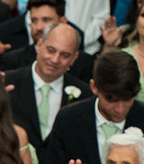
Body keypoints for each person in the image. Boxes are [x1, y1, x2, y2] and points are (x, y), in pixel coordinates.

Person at [7, 22, 93, 153]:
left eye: (65, 55)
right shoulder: (8, 83)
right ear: (39, 45)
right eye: (51, 50)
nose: (55, 60)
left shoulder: (85, 95)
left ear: (74, 58)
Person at [0, 0, 97, 81]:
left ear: (63, 21)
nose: (39, 27)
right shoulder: (12, 60)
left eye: (46, 20)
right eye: (34, 20)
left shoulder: (85, 64)